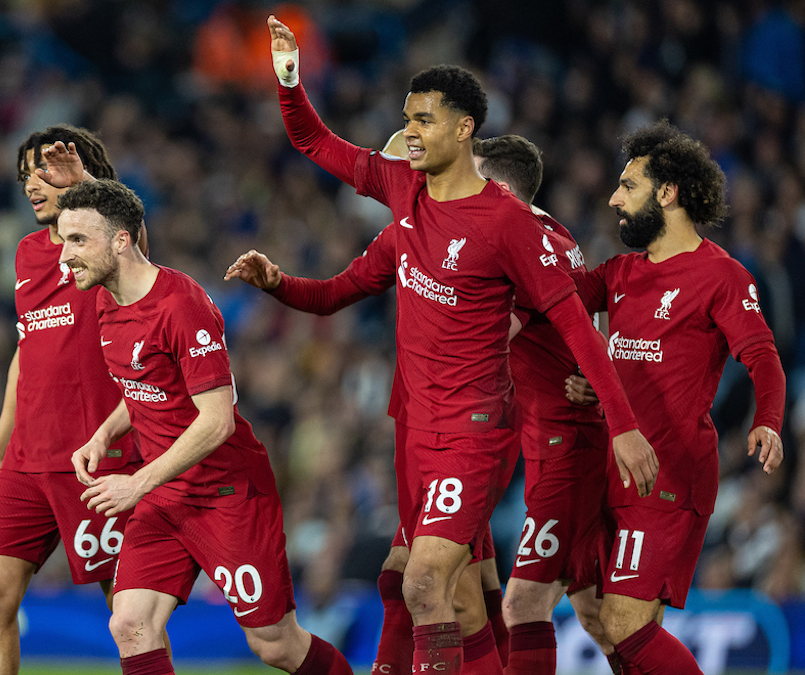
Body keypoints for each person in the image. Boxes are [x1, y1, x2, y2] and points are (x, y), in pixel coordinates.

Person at [267, 15, 657, 674]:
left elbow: (571, 322)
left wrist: (622, 422)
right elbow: (314, 145)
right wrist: (288, 79)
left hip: (484, 429)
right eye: (406, 120)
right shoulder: (406, 199)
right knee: (451, 594)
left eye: (422, 120)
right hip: (419, 425)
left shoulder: (516, 231)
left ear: (465, 134)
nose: (409, 133)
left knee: (433, 585)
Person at [226, 134, 612, 674]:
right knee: (445, 583)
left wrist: (612, 405)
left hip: (507, 432)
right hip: (475, 425)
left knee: (474, 591)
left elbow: (507, 329)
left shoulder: (516, 239)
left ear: (495, 188)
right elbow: (341, 285)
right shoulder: (533, 234)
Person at [58, 178, 354, 675]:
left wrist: (137, 481)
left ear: (121, 240)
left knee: (276, 644)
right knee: (129, 623)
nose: (66, 255)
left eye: (78, 240)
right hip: (165, 493)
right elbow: (145, 388)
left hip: (225, 492)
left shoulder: (182, 306)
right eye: (64, 240)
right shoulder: (107, 301)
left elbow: (215, 422)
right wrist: (104, 434)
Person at [569, 120, 785, 675]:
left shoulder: (722, 276)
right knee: (608, 626)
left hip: (667, 476)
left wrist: (768, 420)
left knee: (623, 625)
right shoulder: (619, 273)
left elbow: (763, 358)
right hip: (610, 471)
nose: (614, 197)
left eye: (629, 185)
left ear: (667, 193)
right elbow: (555, 307)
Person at [0, 125, 148, 675]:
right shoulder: (25, 255)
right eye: (24, 175)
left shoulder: (114, 247)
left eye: (43, 171)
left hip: (99, 458)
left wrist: (88, 187)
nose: (31, 184)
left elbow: (139, 243)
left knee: (128, 613)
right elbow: (27, 350)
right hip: (28, 459)